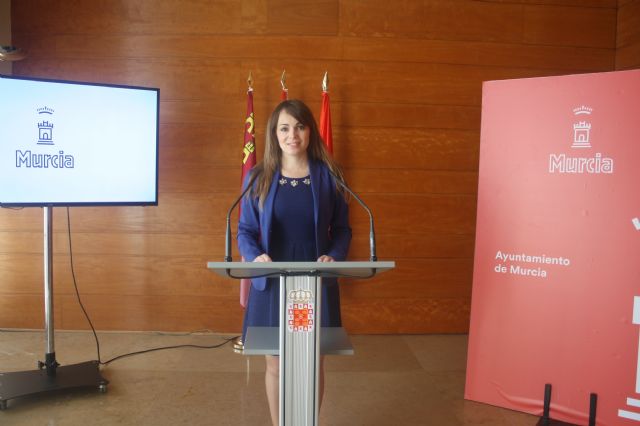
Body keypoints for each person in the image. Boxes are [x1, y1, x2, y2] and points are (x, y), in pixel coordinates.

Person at [237, 99, 352, 425]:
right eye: (284, 128)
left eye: (300, 127)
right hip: (272, 280)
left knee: (312, 361)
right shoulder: (258, 177)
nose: (292, 135)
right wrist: (254, 256)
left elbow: (342, 229)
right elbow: (245, 230)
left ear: (310, 131)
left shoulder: (329, 176)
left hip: (313, 281)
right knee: (275, 363)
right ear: (274, 134)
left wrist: (334, 255)